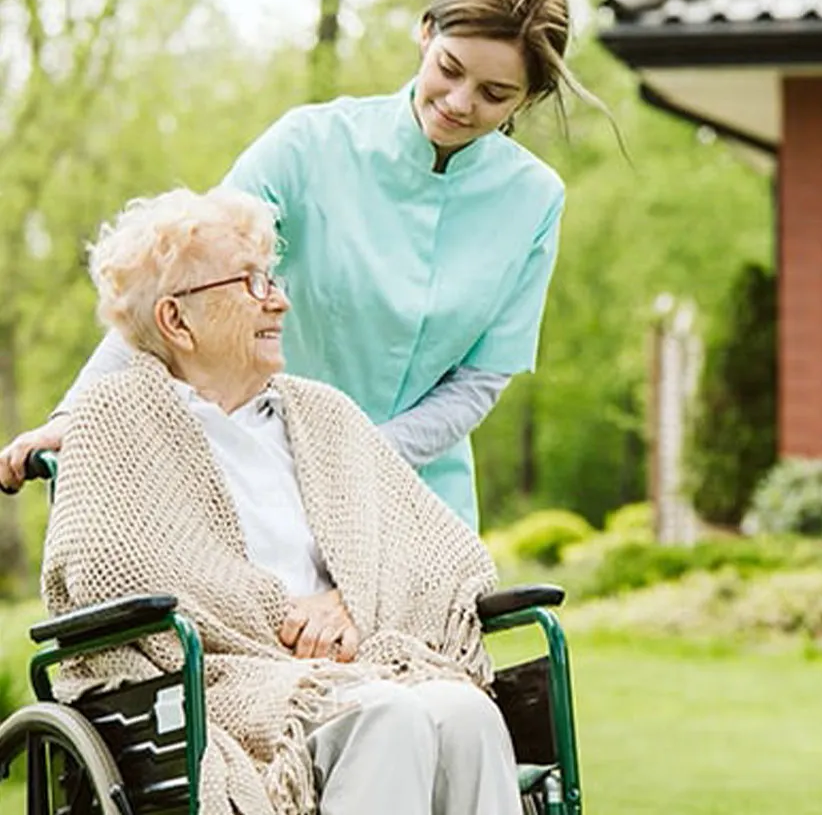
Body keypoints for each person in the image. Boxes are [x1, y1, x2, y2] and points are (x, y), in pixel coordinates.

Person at [0, 0, 611, 529]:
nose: (459, 103)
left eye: (493, 94)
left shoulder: (535, 201)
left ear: (527, 98)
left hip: (421, 496)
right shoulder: (307, 146)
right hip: (268, 478)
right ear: (426, 34)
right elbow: (175, 287)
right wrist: (76, 416)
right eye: (449, 69)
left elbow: (478, 380)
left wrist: (360, 459)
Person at [41, 186, 521, 815]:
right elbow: (104, 567)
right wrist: (280, 618)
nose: (280, 300)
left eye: (271, 278)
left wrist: (349, 600)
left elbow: (442, 552)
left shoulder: (324, 414)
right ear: (176, 320)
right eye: (251, 282)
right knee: (389, 717)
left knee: (466, 714)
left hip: (356, 665)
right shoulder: (116, 416)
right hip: (222, 685)